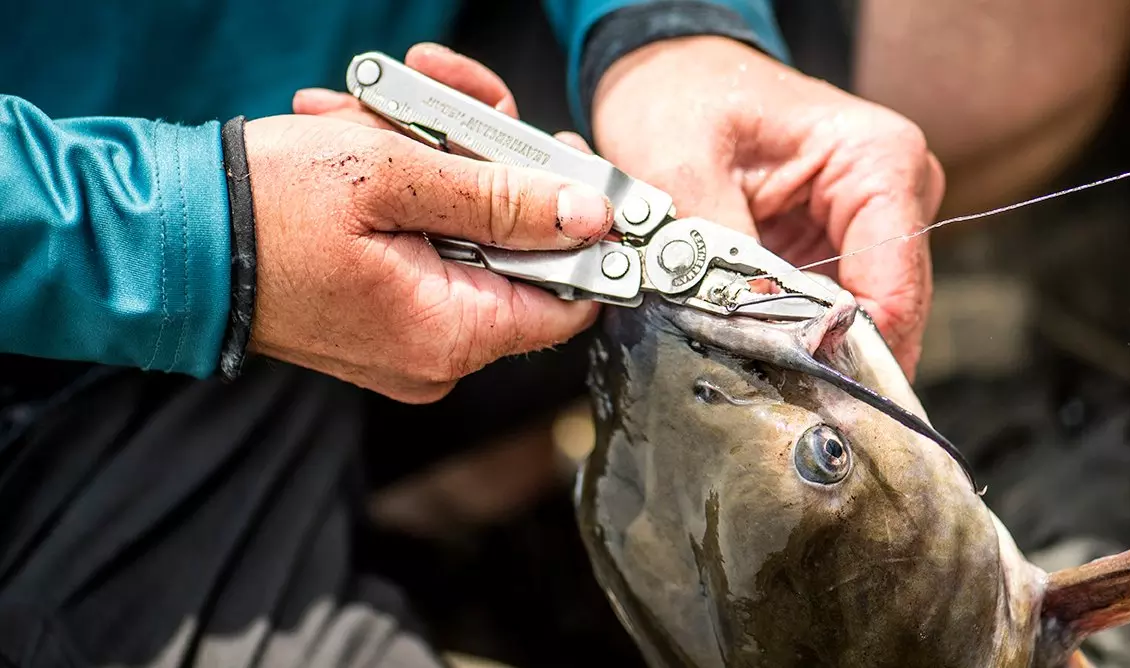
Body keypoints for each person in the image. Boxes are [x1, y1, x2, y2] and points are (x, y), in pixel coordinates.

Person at [0, 1, 944, 666]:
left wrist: (662, 33)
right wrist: (198, 234)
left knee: (1010, 48)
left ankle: (461, 480)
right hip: (47, 410)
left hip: (356, 136)